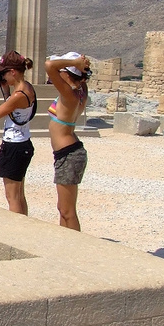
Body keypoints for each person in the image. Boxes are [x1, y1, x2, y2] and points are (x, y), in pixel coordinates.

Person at [0, 51, 37, 215]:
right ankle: (24, 229)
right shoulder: (26, 88)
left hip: (13, 146)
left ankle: (17, 232)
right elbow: (15, 110)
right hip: (23, 144)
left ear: (12, 72)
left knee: (12, 197)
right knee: (19, 195)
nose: (3, 77)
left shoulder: (19, 95)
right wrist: (5, 90)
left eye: (4, 73)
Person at [44, 51, 92, 231]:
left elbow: (49, 66)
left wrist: (75, 63)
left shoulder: (69, 93)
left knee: (68, 211)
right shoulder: (81, 90)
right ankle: (65, 242)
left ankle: (76, 249)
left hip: (68, 154)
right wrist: (81, 65)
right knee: (63, 209)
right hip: (68, 152)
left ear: (65, 73)